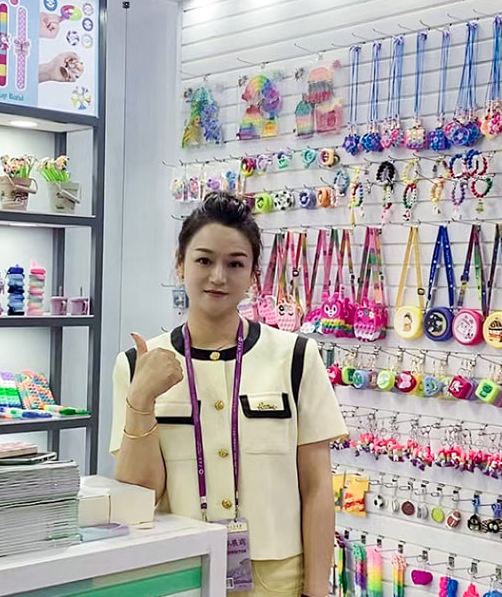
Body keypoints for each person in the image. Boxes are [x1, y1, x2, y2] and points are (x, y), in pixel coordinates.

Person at [110, 193, 347, 597]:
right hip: (178, 572)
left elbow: (317, 489)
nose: (218, 276)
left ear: (253, 274)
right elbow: (140, 498)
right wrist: (141, 401)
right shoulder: (138, 364)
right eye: (204, 261)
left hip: (277, 578)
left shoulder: (296, 357)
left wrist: (316, 591)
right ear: (180, 263)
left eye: (235, 264)